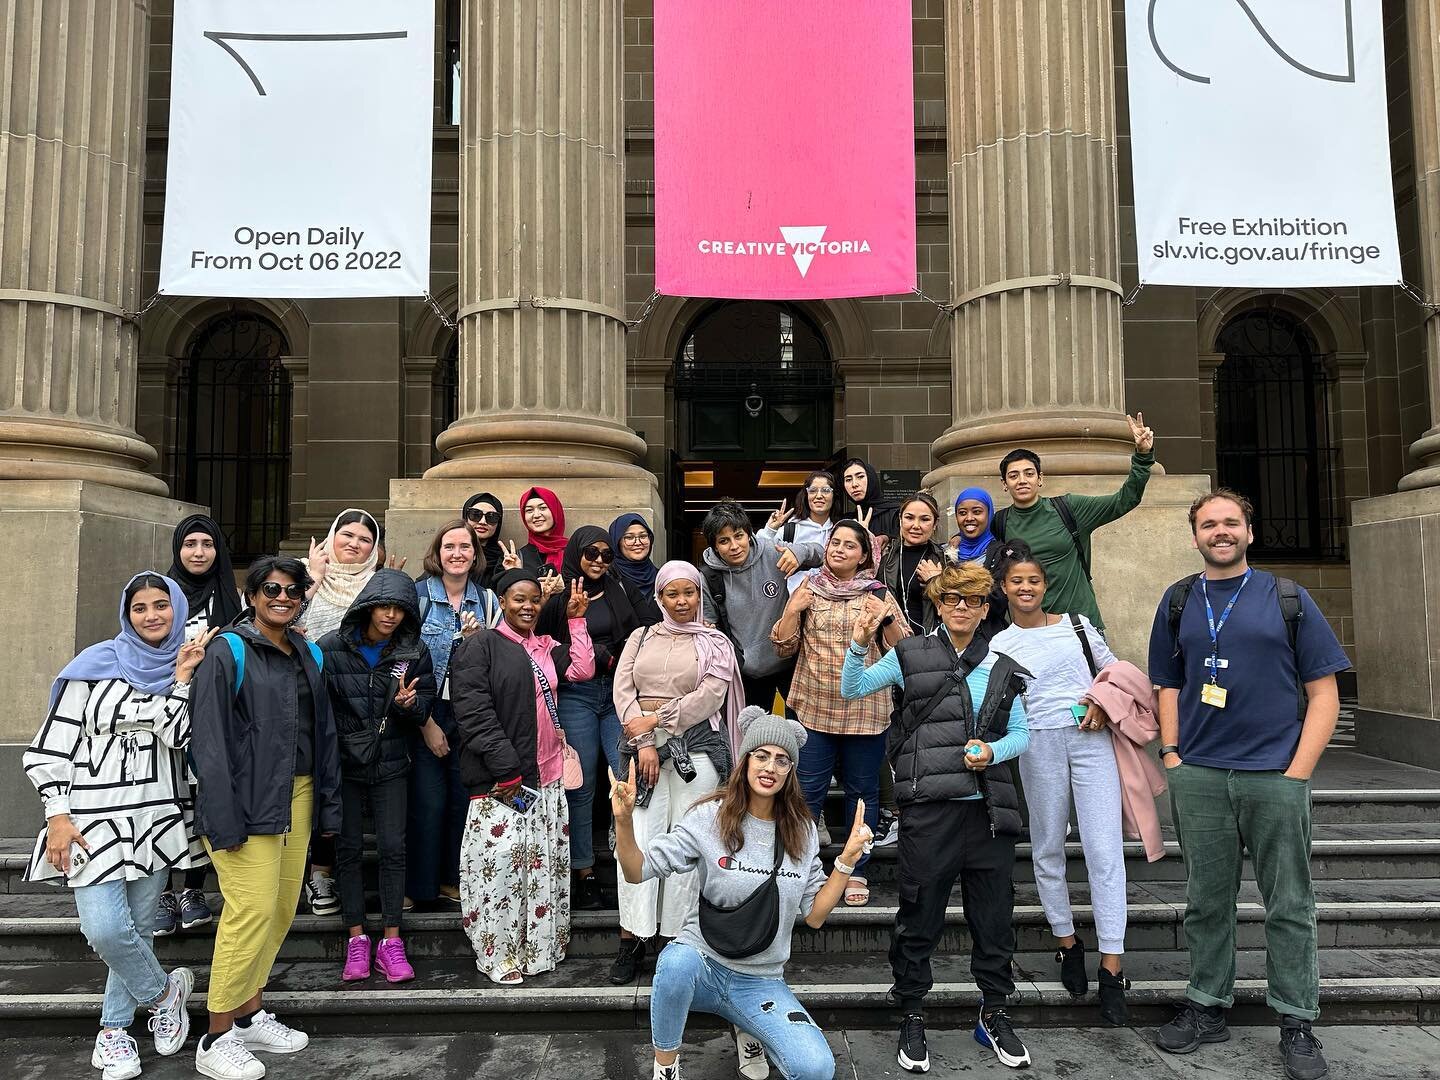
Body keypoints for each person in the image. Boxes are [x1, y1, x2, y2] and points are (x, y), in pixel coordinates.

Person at [1148, 489, 1349, 1080]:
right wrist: (1173, 755)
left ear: (1249, 532)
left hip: (1274, 775)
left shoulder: (1288, 598)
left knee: (1289, 903)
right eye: (1208, 524)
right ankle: (1208, 1004)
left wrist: (1298, 774)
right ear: (1195, 536)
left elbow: (1324, 693)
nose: (1220, 531)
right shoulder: (1179, 599)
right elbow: (1166, 683)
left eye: (1230, 522)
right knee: (1206, 902)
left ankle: (1296, 1020)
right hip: (1202, 775)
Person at [841, 561, 1033, 1073]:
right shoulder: (909, 654)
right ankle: (912, 1012)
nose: (962, 609)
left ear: (985, 607)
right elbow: (853, 688)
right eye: (952, 600)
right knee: (919, 916)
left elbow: (1022, 733)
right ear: (939, 606)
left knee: (993, 920)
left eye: (972, 601)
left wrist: (992, 752)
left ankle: (993, 1011)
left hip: (989, 811)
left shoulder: (1003, 664)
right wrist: (860, 642)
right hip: (929, 809)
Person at [612, 705, 874, 1080]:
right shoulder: (709, 817)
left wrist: (846, 861)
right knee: (673, 963)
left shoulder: (802, 830)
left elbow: (815, 916)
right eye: (762, 756)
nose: (770, 768)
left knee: (815, 1068)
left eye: (782, 760)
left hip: (760, 979)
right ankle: (665, 1069)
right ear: (745, 760)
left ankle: (747, 1026)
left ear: (791, 771)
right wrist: (624, 822)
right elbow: (637, 870)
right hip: (703, 962)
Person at [24, 572, 209, 1079]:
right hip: (90, 820)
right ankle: (165, 993)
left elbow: (179, 736)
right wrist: (56, 814)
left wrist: (184, 679)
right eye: (139, 608)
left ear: (176, 609)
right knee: (104, 928)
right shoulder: (93, 666)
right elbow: (51, 746)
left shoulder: (187, 667)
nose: (151, 615)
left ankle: (114, 1031)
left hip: (158, 814)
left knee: (138, 929)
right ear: (126, 615)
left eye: (160, 606)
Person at [190, 556, 343, 1080]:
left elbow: (322, 734)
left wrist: (326, 801)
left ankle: (249, 1013)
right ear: (252, 596)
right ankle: (215, 1036)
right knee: (249, 909)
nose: (283, 597)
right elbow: (208, 742)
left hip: (296, 793)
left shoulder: (307, 652)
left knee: (279, 910)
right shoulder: (227, 650)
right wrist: (221, 816)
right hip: (245, 798)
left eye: (293, 590)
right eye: (271, 589)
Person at [989, 546, 1131, 1024]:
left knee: (1104, 850)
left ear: (1044, 585)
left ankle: (1112, 967)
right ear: (1003, 588)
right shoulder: (999, 645)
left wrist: (1101, 701)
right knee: (1048, 846)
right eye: (1016, 581)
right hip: (1038, 746)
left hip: (1092, 739)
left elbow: (1115, 672)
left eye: (1033, 580)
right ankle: (1067, 941)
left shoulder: (1077, 625)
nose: (1026, 587)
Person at [449, 568, 594, 984]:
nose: (528, 607)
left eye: (534, 600)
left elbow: (582, 669)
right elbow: (473, 712)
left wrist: (577, 619)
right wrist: (506, 766)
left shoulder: (545, 646)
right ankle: (498, 955)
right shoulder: (481, 646)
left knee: (539, 869)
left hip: (546, 780)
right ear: (501, 601)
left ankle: (538, 949)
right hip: (504, 782)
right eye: (518, 599)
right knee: (500, 871)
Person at [608, 561, 743, 985]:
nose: (681, 601)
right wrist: (646, 742)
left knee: (688, 841)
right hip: (640, 753)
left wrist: (657, 724)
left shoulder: (716, 643)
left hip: (696, 754)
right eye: (672, 594)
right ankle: (631, 936)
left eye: (689, 593)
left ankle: (675, 939)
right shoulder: (640, 636)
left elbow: (709, 697)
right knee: (639, 837)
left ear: (699, 595)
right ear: (659, 597)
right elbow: (623, 691)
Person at [771, 521, 909, 907]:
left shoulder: (879, 593)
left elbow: (905, 652)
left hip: (867, 710)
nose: (840, 549)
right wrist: (790, 608)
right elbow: (783, 647)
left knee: (862, 793)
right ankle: (804, 866)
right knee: (807, 793)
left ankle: (854, 869)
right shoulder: (808, 588)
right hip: (815, 708)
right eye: (835, 542)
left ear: (864, 556)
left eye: (851, 545)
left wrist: (886, 618)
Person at [319, 569, 436, 985]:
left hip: (392, 762)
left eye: (400, 609)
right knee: (348, 850)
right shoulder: (331, 648)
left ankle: (390, 940)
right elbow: (320, 711)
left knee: (393, 847)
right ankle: (356, 939)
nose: (390, 615)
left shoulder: (414, 650)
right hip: (344, 765)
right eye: (383, 606)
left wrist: (410, 705)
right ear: (366, 606)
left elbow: (426, 703)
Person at [538, 526, 644, 910]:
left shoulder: (619, 589)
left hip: (616, 694)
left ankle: (627, 865)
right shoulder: (556, 594)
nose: (599, 561)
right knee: (580, 787)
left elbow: (642, 631)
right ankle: (583, 872)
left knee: (624, 781)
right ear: (575, 554)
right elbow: (538, 641)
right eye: (591, 554)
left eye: (605, 554)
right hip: (574, 696)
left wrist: (612, 656)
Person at [990, 413, 1155, 632]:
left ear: (1040, 479)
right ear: (1004, 484)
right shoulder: (1000, 522)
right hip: (1030, 630)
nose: (1021, 480)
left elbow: (1124, 500)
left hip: (1079, 626)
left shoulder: (1070, 508)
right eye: (1013, 476)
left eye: (1029, 473)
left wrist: (1142, 456)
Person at [156, 515, 241, 936]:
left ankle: (193, 888)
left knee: (200, 795)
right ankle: (164, 891)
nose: (198, 552)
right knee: (169, 797)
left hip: (214, 711)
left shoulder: (231, 598)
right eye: (190, 543)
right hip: (166, 704)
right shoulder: (160, 595)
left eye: (207, 544)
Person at [407, 519, 498, 911]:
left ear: (475, 555)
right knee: (428, 802)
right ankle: (419, 885)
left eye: (466, 547)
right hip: (427, 711)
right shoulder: (417, 597)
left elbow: (497, 664)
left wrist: (478, 644)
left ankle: (451, 880)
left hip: (471, 713)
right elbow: (404, 662)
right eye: (450, 546)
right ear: (437, 553)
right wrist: (426, 723)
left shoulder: (489, 600)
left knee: (465, 800)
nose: (458, 553)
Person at [297, 508, 382, 916]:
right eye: (347, 535)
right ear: (331, 537)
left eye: (364, 539)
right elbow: (274, 623)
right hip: (305, 703)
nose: (354, 544)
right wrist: (310, 582)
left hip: (359, 707)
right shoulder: (300, 577)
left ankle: (323, 871)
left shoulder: (379, 586)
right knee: (306, 791)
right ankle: (301, 871)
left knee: (338, 795)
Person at [698, 498, 823, 712]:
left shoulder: (771, 551)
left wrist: (799, 553)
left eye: (739, 536)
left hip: (791, 664)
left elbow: (820, 552)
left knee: (801, 736)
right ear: (715, 546)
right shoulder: (708, 576)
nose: (734, 546)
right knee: (755, 738)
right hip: (748, 674)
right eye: (724, 541)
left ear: (749, 534)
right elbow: (710, 625)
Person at [876, 492, 950, 635]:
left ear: (935, 524)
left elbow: (955, 609)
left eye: (924, 519)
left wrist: (936, 582)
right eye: (909, 518)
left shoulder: (945, 560)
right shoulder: (884, 557)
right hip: (892, 645)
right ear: (900, 519)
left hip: (932, 644)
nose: (916, 526)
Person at [949, 488, 1010, 643]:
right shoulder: (946, 552)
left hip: (988, 640)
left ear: (989, 515)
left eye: (977, 512)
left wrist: (941, 582)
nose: (969, 518)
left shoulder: (1001, 554)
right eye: (962, 513)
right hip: (948, 641)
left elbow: (997, 600)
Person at [761, 471, 836, 593]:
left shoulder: (840, 529)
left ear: (834, 495)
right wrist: (770, 530)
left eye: (826, 490)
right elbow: (761, 551)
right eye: (813, 490)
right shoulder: (791, 530)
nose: (819, 495)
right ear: (806, 495)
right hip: (794, 603)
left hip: (831, 604)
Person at [610, 512, 663, 625]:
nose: (638, 543)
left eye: (643, 536)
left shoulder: (661, 577)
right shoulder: (609, 579)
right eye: (629, 537)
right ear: (617, 542)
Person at [840, 457, 898, 539]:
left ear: (871, 478)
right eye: (848, 480)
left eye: (860, 477)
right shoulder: (846, 521)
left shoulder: (896, 514)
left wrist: (886, 539)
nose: (854, 484)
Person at [518, 486, 569, 576]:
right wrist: (513, 573)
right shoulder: (517, 558)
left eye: (542, 508)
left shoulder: (573, 553)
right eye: (529, 510)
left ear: (555, 511)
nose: (536, 515)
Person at [462, 492, 506, 591]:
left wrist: (514, 573)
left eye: (492, 517)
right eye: (475, 514)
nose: (482, 521)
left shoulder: (505, 559)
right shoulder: (452, 554)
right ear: (466, 518)